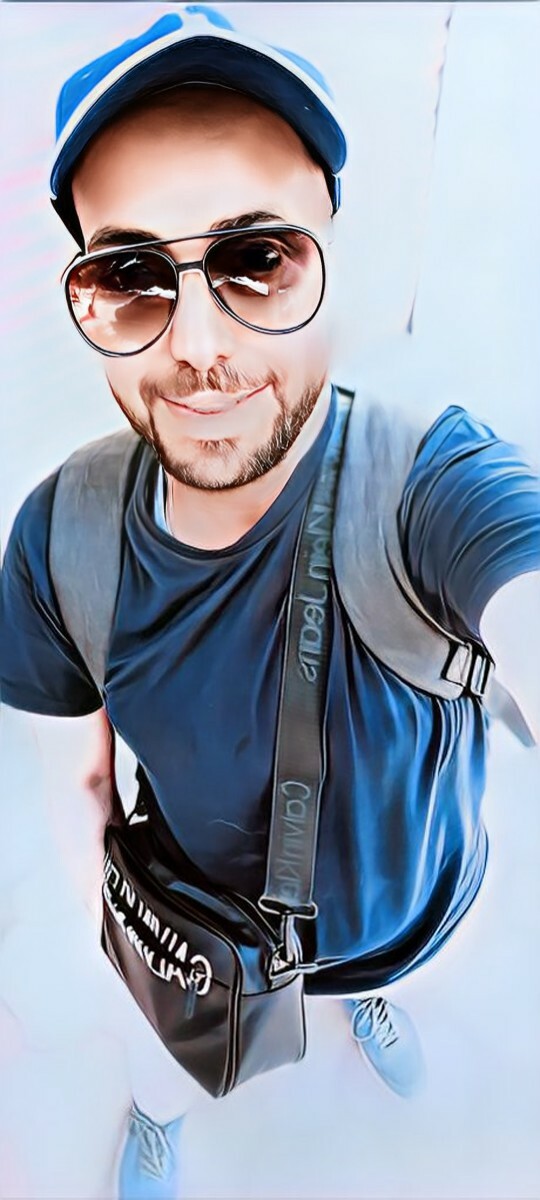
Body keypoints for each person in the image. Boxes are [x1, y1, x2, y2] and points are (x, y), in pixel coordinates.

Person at [1, 6, 539, 1199]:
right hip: (196, 941)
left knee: (372, 967)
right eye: (131, 276)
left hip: (406, 919)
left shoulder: (432, 483)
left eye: (256, 257)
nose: (200, 345)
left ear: (330, 247)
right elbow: (79, 789)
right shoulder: (58, 541)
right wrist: (139, 965)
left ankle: (365, 999)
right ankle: (160, 1119)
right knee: (166, 1070)